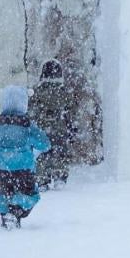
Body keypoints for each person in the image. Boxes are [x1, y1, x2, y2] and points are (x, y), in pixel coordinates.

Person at [0, 85, 50, 228]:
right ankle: (16, 210)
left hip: (3, 168)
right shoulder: (26, 123)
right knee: (31, 195)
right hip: (24, 168)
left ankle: (6, 213)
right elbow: (44, 144)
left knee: (2, 192)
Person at [30, 59, 77, 189]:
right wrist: (71, 129)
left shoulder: (36, 92)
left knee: (42, 154)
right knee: (60, 152)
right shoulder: (64, 93)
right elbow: (70, 113)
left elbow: (31, 112)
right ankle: (59, 176)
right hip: (60, 129)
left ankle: (41, 178)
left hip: (41, 130)